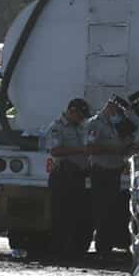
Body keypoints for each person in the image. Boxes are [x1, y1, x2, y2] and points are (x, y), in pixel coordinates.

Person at [84, 96, 134, 254]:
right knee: (102, 209)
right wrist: (114, 149)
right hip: (101, 171)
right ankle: (102, 248)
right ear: (110, 106)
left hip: (115, 171)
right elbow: (90, 147)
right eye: (117, 111)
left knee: (113, 209)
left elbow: (126, 140)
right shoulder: (95, 123)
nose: (118, 114)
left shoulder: (117, 123)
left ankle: (109, 244)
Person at [46, 98, 93, 256]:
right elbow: (55, 150)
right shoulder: (56, 127)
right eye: (80, 115)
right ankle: (57, 249)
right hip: (63, 176)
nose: (82, 119)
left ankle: (74, 250)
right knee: (60, 214)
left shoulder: (81, 127)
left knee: (77, 214)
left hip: (79, 176)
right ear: (72, 111)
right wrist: (81, 150)